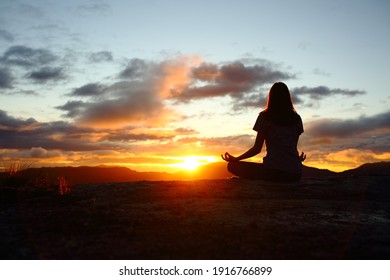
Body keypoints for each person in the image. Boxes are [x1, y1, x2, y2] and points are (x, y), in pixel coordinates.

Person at [221, 82, 306, 182]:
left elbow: (257, 149)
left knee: (232, 166)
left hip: (274, 172)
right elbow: (292, 147)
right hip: (295, 174)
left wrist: (236, 159)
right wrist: (297, 160)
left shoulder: (265, 117)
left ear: (271, 97)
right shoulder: (296, 119)